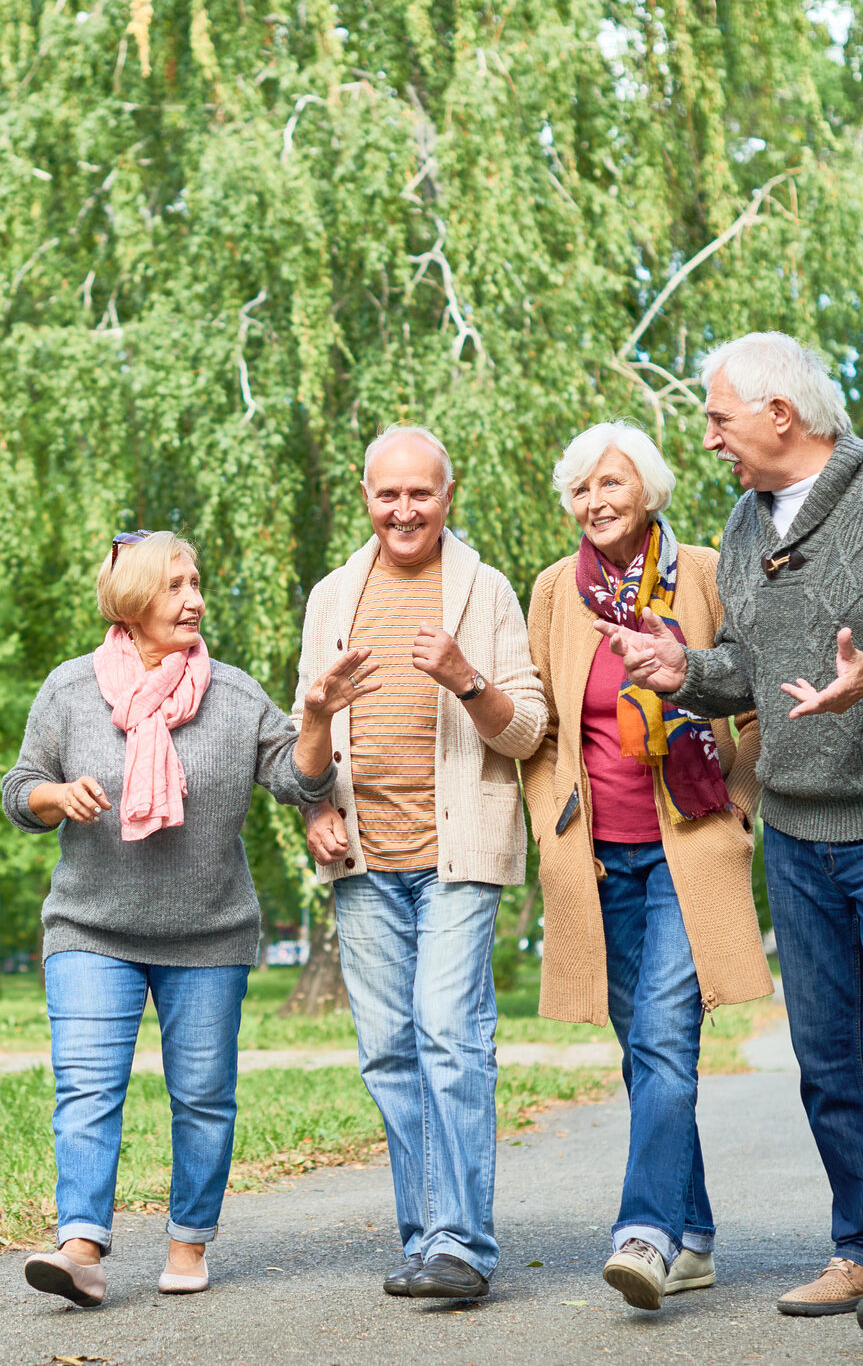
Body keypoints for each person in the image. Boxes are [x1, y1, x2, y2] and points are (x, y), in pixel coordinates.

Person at [598, 332, 863, 1346]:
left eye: (717, 417)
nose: (707, 437)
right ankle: (860, 1246)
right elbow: (750, 666)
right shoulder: (739, 522)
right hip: (798, 825)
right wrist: (684, 669)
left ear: (780, 414)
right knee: (824, 1054)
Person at [2, 530, 375, 1308]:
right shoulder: (71, 689)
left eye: (197, 582)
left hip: (207, 934)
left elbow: (299, 782)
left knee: (202, 1094)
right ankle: (81, 1249)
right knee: (87, 1088)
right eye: (175, 585)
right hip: (90, 928)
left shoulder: (233, 695)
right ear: (133, 600)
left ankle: (188, 1239)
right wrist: (56, 795)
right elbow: (19, 788)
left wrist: (312, 716)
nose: (195, 598)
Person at [522, 421, 771, 1311]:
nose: (595, 501)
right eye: (581, 487)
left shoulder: (702, 572)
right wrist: (549, 823)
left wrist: (738, 801)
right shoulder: (556, 591)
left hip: (686, 845)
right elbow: (545, 724)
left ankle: (646, 1233)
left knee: (666, 1039)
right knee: (643, 1054)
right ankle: (695, 1229)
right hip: (596, 859)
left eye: (612, 483)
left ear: (650, 489)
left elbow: (752, 694)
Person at [295, 425, 546, 1301]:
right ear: (367, 495)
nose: (404, 509)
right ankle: (425, 1236)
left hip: (457, 852)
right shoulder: (332, 595)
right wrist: (317, 801)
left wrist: (466, 677)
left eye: (421, 493)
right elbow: (306, 747)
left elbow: (528, 730)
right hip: (363, 856)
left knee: (448, 1031)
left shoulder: (484, 590)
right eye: (387, 493)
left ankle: (464, 1244)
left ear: (449, 494)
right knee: (388, 1053)